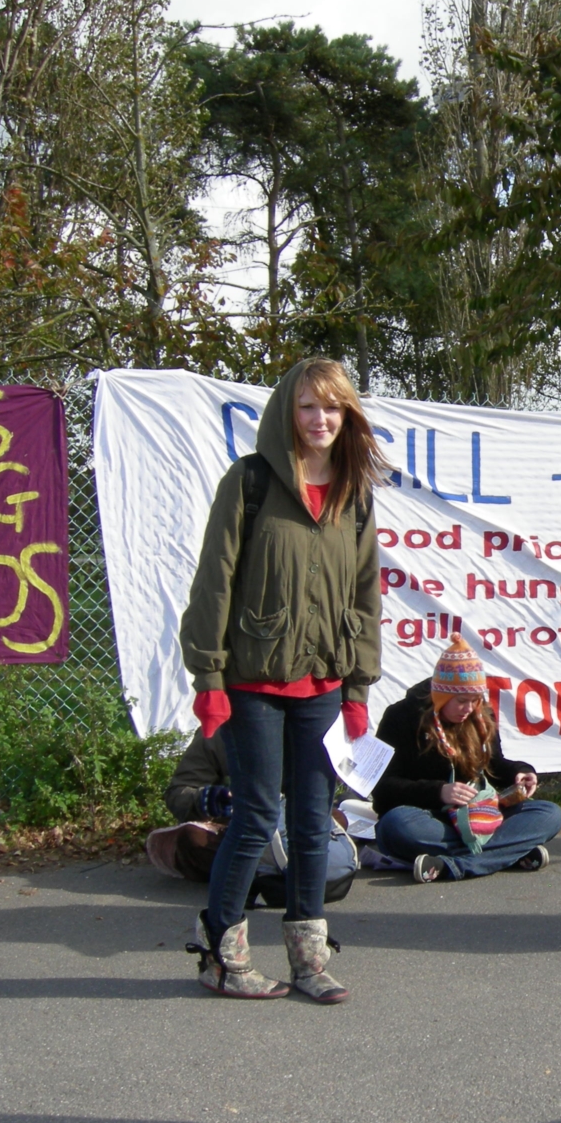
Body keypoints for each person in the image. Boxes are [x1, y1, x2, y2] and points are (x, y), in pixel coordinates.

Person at [179, 356, 385, 1003]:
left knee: (312, 820)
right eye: (307, 406)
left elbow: (363, 596)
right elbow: (214, 581)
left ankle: (308, 960)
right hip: (252, 680)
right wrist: (208, 675)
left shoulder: (354, 495)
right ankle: (222, 952)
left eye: (332, 407)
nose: (320, 419)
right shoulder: (250, 483)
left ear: (346, 414)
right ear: (285, 413)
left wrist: (357, 687)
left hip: (322, 684)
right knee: (256, 813)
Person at [372, 635, 561, 882]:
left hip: (479, 814)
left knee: (549, 813)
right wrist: (438, 791)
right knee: (396, 825)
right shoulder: (401, 716)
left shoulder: (481, 714)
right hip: (429, 817)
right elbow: (381, 787)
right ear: (440, 695)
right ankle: (510, 852)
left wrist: (520, 772)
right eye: (461, 701)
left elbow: (493, 763)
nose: (469, 708)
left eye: (474, 701)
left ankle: (451, 865)